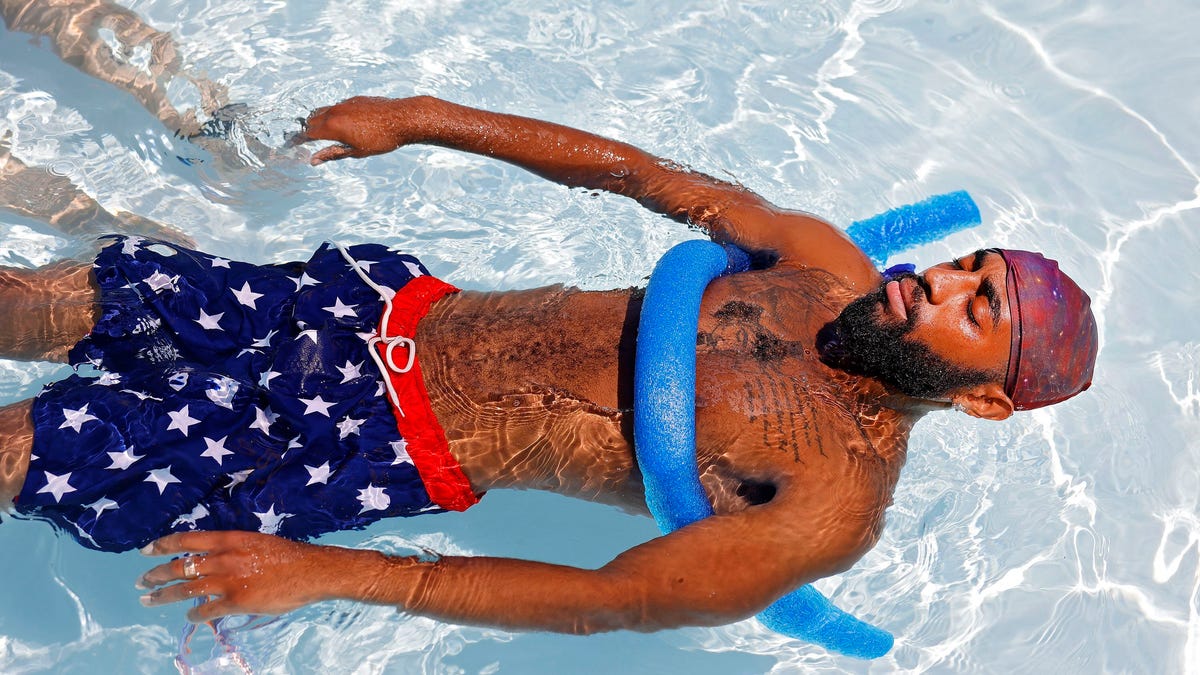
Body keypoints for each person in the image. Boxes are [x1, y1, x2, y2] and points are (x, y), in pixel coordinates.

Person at [0, 95, 1098, 635]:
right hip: (370, 306)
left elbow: (607, 603)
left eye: (976, 305)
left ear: (990, 399)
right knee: (31, 303)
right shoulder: (817, 261)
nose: (938, 281)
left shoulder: (828, 505)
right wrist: (420, 118)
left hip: (363, 443)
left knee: (17, 451)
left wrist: (330, 573)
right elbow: (632, 172)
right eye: (967, 265)